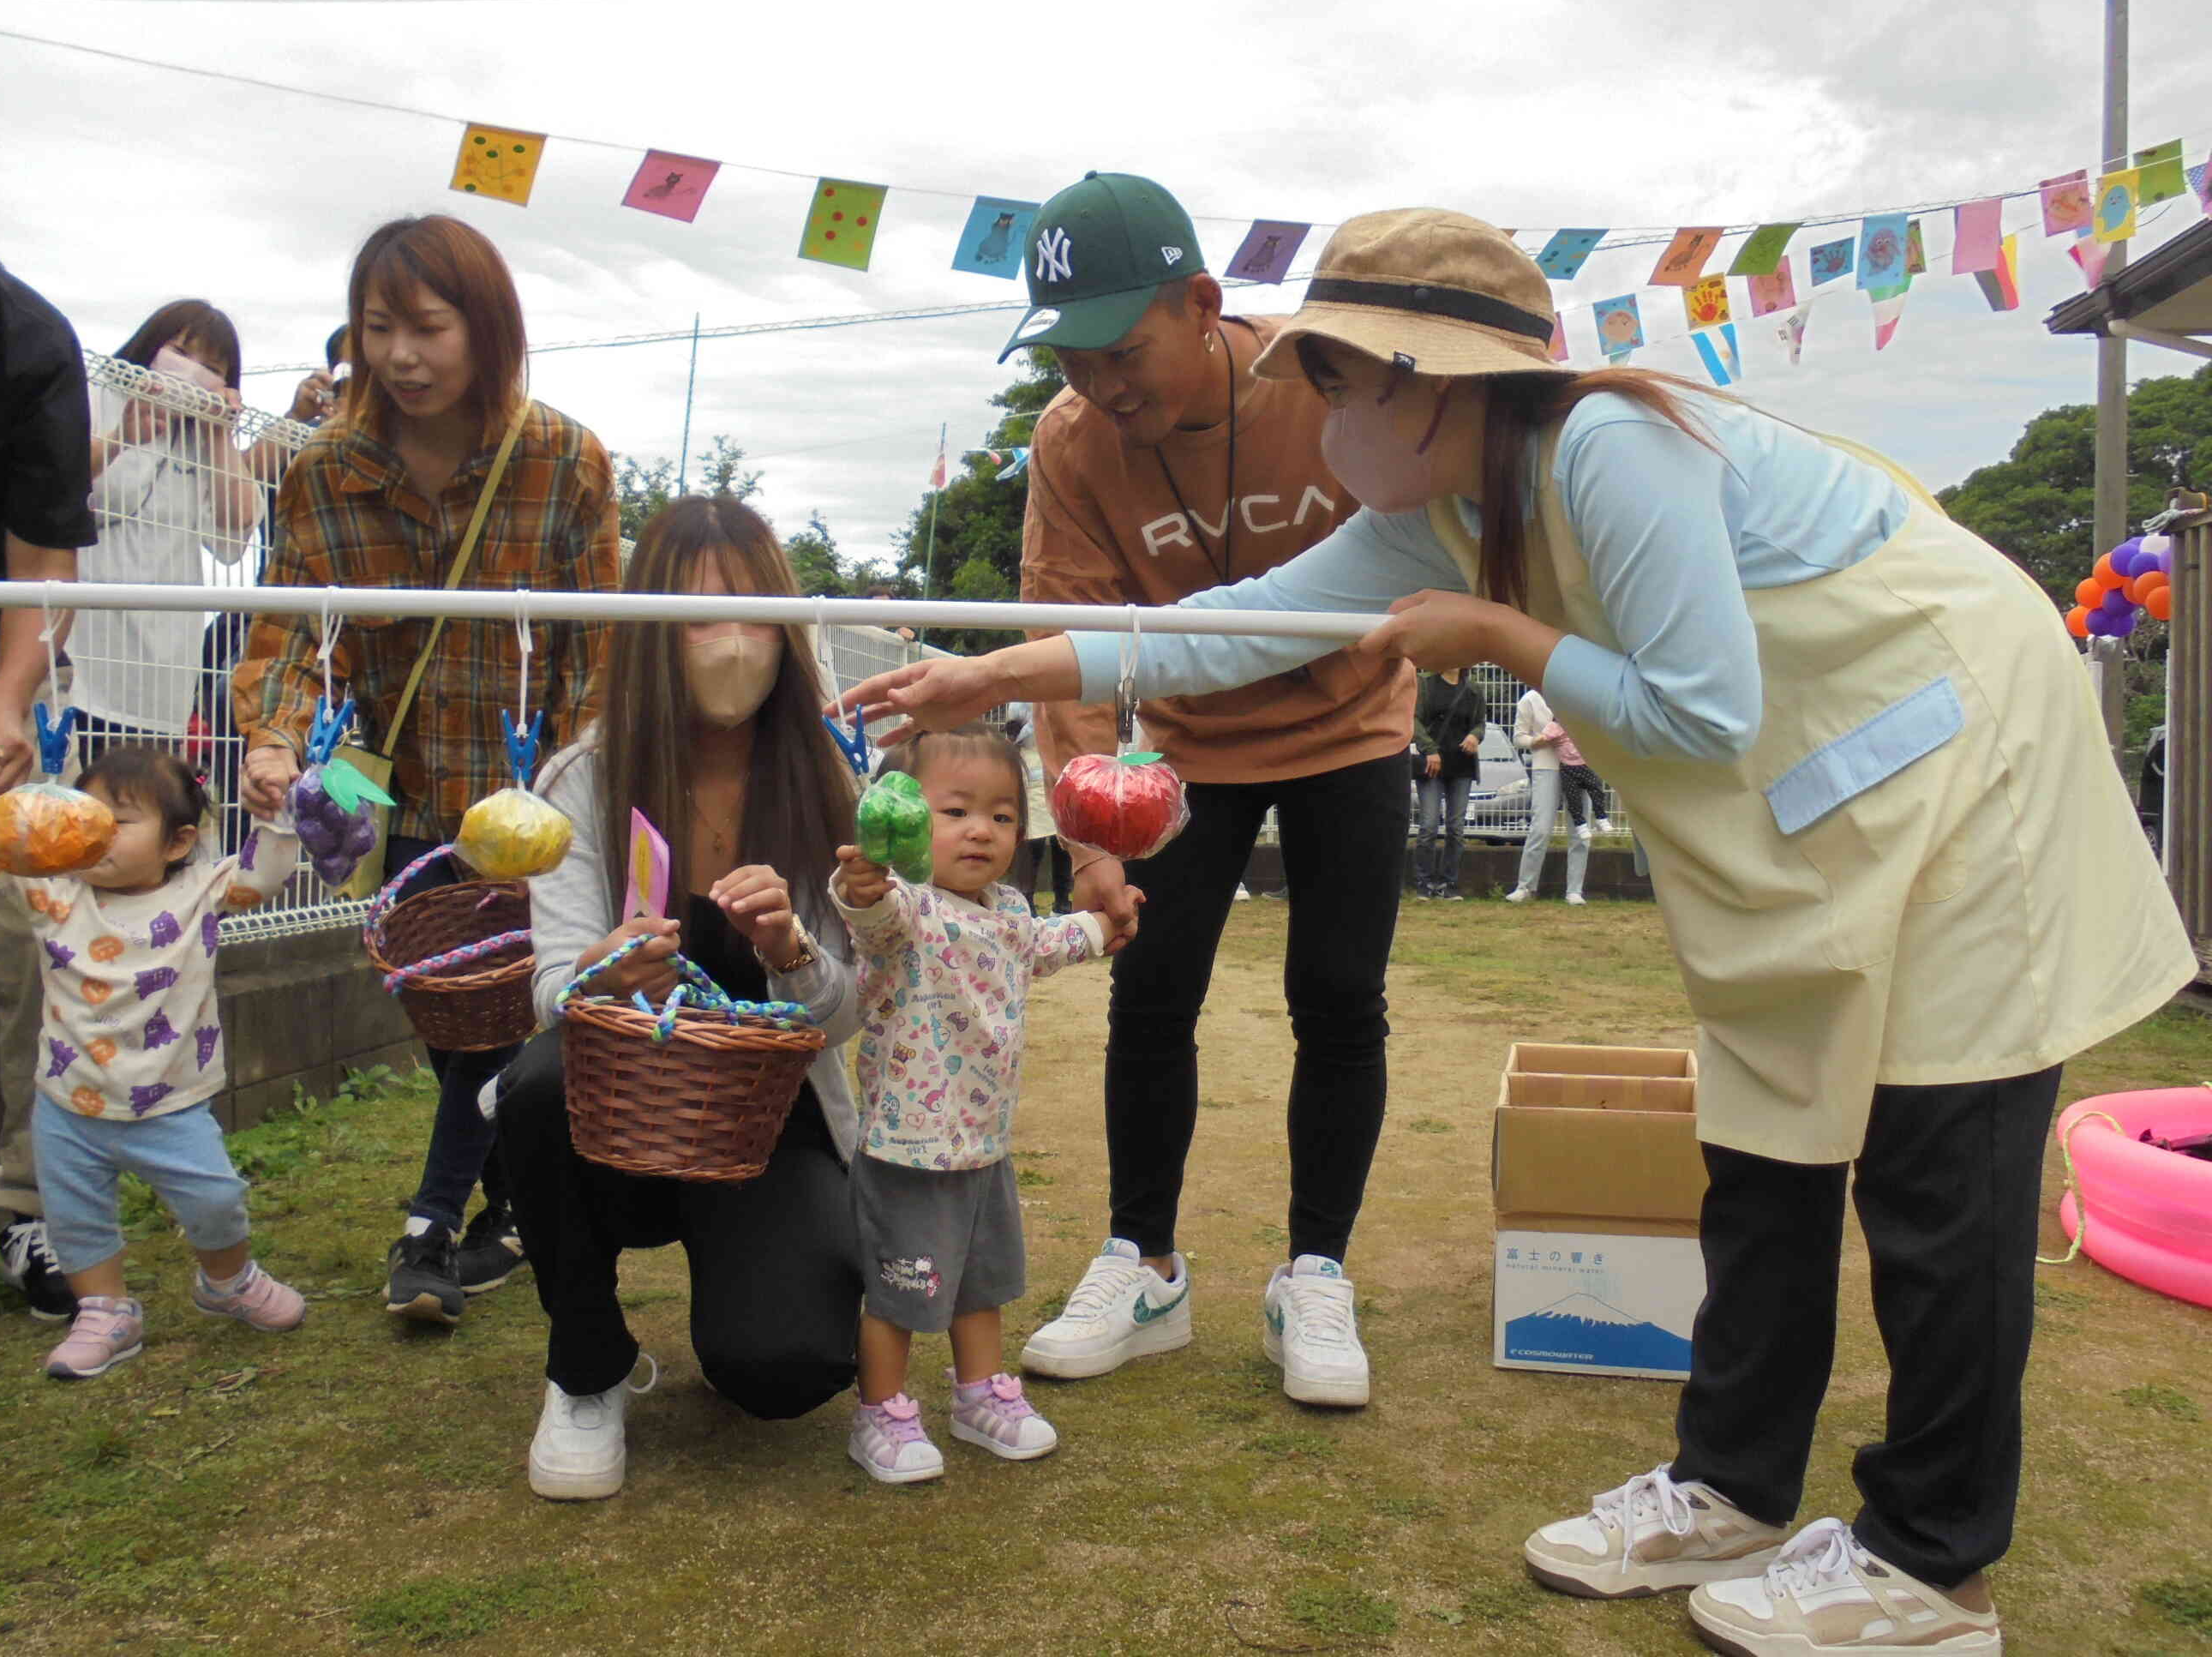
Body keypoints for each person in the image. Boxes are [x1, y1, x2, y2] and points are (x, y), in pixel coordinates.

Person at [837, 208, 2197, 1657]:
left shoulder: (1608, 448)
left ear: (1436, 377)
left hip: (1962, 763)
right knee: (1764, 1148)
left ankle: (1931, 1562)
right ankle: (1732, 1483)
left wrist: (1501, 640)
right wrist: (980, 671)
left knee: (1940, 1172)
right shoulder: (1442, 509)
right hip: (1822, 813)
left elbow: (1702, 706)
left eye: (1348, 380)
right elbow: (1223, 627)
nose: (1328, 409)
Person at [999, 172, 1413, 1408]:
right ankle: (1147, 1262)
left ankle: (1316, 1273)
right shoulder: (1070, 443)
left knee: (1338, 993)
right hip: (1183, 744)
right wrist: (1087, 831)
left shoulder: (1315, 380)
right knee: (1152, 986)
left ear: (1200, 303)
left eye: (1121, 352)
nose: (1100, 387)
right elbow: (1061, 628)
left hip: (1351, 721)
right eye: (1072, 360)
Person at [233, 214, 620, 1324]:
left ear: (486, 329)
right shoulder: (324, 474)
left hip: (529, 802)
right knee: (450, 1021)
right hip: (385, 784)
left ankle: (428, 1230)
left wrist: (568, 802)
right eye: (378, 327)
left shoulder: (565, 462)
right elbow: (289, 635)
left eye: (429, 326)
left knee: (489, 1013)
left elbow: (593, 666)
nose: (401, 354)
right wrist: (270, 738)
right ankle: (519, 1209)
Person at [489, 495, 865, 1501]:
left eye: (755, 614)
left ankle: (747, 1279)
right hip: (618, 1120)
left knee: (787, 1370)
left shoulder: (831, 782)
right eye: (701, 615)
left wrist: (790, 951)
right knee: (531, 1085)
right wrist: (604, 974)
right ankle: (585, 1364)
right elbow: (545, 996)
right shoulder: (584, 780)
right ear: (653, 632)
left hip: (769, 1131)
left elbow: (843, 1015)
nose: (734, 643)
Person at [830, 724, 1116, 1483]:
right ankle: (880, 1411)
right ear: (909, 818)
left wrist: (1100, 926)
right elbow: (873, 920)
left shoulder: (1009, 907)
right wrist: (864, 886)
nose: (981, 831)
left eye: (1001, 815)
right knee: (901, 1288)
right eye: (956, 811)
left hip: (984, 1143)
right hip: (907, 1147)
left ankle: (978, 1393)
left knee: (980, 1280)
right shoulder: (909, 909)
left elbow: (1039, 947)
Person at [21, 747, 308, 1378]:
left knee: (216, 1198)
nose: (95, 831)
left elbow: (261, 877)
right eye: (85, 815)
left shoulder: (198, 892)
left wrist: (278, 814)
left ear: (178, 842)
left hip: (170, 1104)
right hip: (69, 1102)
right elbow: (5, 849)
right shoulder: (53, 889)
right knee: (74, 1218)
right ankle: (105, 1311)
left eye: (119, 821)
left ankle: (227, 1281)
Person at [0, 245, 95, 1322]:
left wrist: (9, 695)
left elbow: (43, 553)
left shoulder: (22, 335)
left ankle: (29, 1203)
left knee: (21, 959)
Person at [75, 300, 264, 761]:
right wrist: (124, 436)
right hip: (81, 645)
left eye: (211, 368)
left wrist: (220, 432)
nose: (192, 371)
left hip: (164, 659)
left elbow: (236, 527)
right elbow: (65, 491)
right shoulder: (97, 394)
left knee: (140, 800)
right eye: (181, 351)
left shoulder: (202, 439)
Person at [1507, 686, 1588, 906]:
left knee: (1579, 831)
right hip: (1546, 767)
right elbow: (1518, 737)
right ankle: (1525, 887)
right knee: (1540, 828)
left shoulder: (1579, 695)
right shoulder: (1531, 699)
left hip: (1580, 768)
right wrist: (1537, 741)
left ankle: (1574, 890)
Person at [1411, 666, 1484, 898]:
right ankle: (1424, 882)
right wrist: (1430, 749)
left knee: (1456, 828)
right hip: (1432, 764)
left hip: (1462, 766)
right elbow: (1413, 720)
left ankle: (1448, 884)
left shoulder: (1473, 689)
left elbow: (1480, 722)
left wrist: (1475, 735)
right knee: (1428, 826)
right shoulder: (1425, 685)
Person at [1006, 710, 1072, 914]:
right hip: (1032, 784)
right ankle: (1027, 903)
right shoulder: (1021, 702)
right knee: (1031, 852)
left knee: (1063, 849)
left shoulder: (1059, 703)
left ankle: (1062, 901)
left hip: (1056, 780)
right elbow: (1013, 729)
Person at [1552, 718, 1611, 844]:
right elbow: (1543, 737)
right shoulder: (1554, 725)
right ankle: (1580, 825)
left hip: (1584, 765)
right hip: (1567, 768)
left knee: (1596, 790)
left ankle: (1601, 817)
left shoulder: (1580, 722)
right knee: (1573, 799)